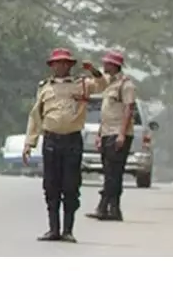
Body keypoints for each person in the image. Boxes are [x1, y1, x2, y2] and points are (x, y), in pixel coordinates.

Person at [22, 48, 109, 242]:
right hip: (51, 140)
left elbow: (103, 85)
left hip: (71, 140)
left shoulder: (82, 84)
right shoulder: (44, 87)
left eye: (64, 63)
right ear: (51, 66)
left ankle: (68, 230)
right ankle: (53, 229)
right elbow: (36, 116)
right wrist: (29, 143)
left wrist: (93, 70)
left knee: (70, 186)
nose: (60, 66)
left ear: (70, 65)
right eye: (57, 63)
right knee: (51, 186)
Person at [85, 51, 136, 222]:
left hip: (118, 133)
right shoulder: (109, 84)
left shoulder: (126, 85)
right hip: (107, 132)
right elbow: (105, 113)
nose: (104, 66)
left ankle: (104, 206)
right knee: (109, 172)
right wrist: (100, 134)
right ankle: (113, 209)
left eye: (107, 63)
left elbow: (129, 110)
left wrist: (122, 133)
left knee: (114, 172)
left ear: (114, 65)